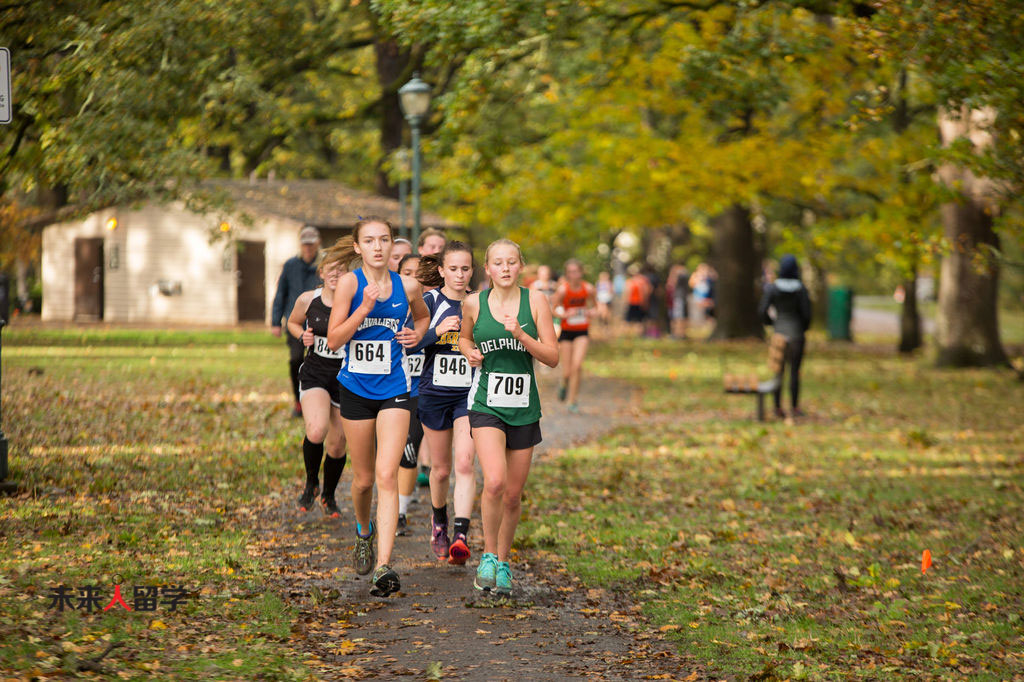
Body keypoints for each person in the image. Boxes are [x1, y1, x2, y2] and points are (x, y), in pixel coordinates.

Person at [326, 217, 429, 597]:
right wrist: (363, 308)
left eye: (384, 239)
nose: (378, 247)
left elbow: (421, 318)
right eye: (369, 240)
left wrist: (416, 334)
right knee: (365, 479)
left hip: (396, 388)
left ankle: (384, 566)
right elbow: (335, 340)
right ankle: (363, 532)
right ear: (357, 247)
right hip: (354, 387)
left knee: (387, 475)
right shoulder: (351, 284)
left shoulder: (408, 284)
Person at [459, 239, 559, 596]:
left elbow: (551, 356)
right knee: (496, 482)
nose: (504, 268)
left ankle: (503, 563)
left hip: (523, 407)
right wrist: (469, 350)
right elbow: (464, 338)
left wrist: (520, 334)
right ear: (488, 268)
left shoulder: (535, 302)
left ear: (520, 267)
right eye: (497, 262)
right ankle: (486, 556)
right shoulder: (474, 303)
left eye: (511, 262)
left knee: (514, 495)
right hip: (486, 403)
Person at [412, 242, 476, 564]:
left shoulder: (479, 303)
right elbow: (409, 346)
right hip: (434, 393)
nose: (460, 275)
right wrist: (437, 331)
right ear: (441, 271)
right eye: (453, 269)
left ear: (472, 271)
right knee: (440, 470)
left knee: (465, 463)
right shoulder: (430, 301)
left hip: (468, 394)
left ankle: (462, 536)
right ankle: (439, 522)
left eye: (465, 269)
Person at [286, 243, 349, 516]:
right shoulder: (307, 299)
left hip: (347, 376)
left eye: (342, 269)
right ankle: (311, 482)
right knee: (316, 430)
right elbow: (292, 322)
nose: (336, 274)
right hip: (316, 372)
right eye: (331, 269)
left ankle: (329, 495)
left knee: (337, 444)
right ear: (321, 272)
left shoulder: (356, 301)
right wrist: (302, 336)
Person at [271, 226, 322, 417]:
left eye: (311, 243)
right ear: (300, 244)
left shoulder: (324, 265)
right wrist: (275, 321)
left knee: (319, 362)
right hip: (295, 323)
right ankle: (298, 400)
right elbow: (280, 294)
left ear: (317, 243)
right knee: (295, 360)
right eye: (304, 243)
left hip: (321, 322)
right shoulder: (290, 265)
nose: (308, 247)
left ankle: (318, 401)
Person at [758, 254, 812, 419]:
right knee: (795, 372)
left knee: (778, 372)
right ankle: (794, 408)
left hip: (779, 333)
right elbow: (807, 314)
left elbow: (762, 310)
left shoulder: (773, 288)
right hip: (796, 335)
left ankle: (777, 408)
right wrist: (802, 328)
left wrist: (772, 323)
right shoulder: (801, 289)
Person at [414, 228, 447, 486]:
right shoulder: (411, 281)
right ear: (421, 248)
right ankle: (420, 463)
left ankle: (428, 464)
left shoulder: (453, 284)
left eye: (440, 247)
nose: (435, 251)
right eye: (431, 246)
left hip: (439, 364)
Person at [395, 253, 424, 537]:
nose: (413, 277)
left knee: (409, 448)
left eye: (418, 272)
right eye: (407, 271)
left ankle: (400, 512)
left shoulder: (433, 306)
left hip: (420, 392)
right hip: (390, 388)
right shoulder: (389, 305)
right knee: (386, 456)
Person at [551, 259, 595, 413]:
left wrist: (590, 312)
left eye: (576, 271)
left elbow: (595, 307)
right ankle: (563, 382)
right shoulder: (563, 290)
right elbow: (554, 309)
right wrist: (564, 314)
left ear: (581, 272)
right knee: (567, 371)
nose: (573, 275)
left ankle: (572, 400)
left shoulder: (588, 289)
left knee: (577, 366)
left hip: (582, 331)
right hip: (567, 331)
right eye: (570, 272)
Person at [624, 265, 651, 336]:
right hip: (637, 302)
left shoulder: (631, 281)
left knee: (630, 320)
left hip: (634, 302)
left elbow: (627, 292)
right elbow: (647, 291)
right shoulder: (643, 281)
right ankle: (637, 335)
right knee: (639, 320)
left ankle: (631, 335)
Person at [667, 264, 690, 340]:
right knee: (681, 317)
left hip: (678, 298)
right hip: (682, 297)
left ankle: (678, 334)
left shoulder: (680, 277)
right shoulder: (685, 276)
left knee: (678, 317)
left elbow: (670, 283)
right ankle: (680, 334)